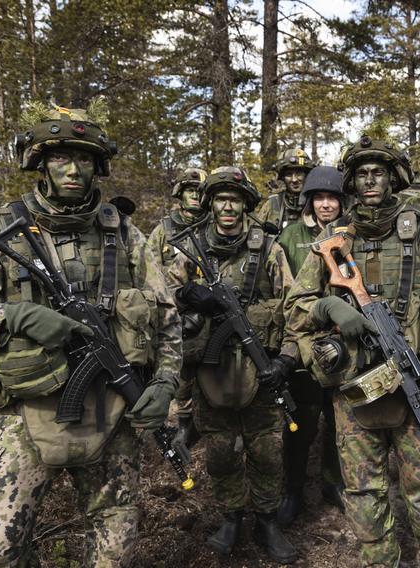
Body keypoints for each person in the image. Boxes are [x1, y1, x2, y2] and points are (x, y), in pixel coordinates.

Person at [0, 102, 182, 566]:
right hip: (30, 411)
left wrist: (166, 382)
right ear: (41, 164)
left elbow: (166, 320)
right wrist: (17, 319)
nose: (73, 169)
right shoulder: (2, 231)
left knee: (115, 548)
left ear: (97, 167)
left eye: (84, 160)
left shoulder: (126, 236)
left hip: (114, 409)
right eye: (60, 158)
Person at [285, 136, 420, 567]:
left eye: (379, 173)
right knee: (365, 497)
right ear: (353, 181)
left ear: (393, 179)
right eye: (363, 174)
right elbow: (294, 310)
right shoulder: (333, 242)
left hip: (415, 389)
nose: (371, 181)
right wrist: (328, 304)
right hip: (354, 391)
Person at [167, 166, 298, 565]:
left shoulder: (269, 250)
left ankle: (267, 519)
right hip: (212, 372)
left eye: (235, 199)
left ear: (245, 204)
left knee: (268, 451)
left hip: (261, 372)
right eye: (220, 199)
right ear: (210, 203)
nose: (227, 206)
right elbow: (162, 297)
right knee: (221, 452)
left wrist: (286, 358)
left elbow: (295, 307)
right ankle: (230, 516)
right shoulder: (190, 250)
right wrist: (187, 292)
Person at [275, 165, 347, 526]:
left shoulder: (349, 234)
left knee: (339, 420)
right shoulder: (290, 235)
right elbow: (283, 290)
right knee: (301, 421)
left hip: (342, 343)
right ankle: (293, 489)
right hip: (303, 341)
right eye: (319, 197)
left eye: (332, 197)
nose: (326, 204)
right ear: (309, 201)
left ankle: (334, 484)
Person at [146, 167, 208, 422]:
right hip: (176, 310)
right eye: (190, 190)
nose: (195, 196)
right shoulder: (164, 230)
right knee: (180, 374)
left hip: (206, 307)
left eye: (199, 192)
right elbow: (148, 272)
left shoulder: (212, 226)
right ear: (180, 194)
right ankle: (183, 420)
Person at [257, 148, 316, 230]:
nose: (294, 180)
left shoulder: (317, 203)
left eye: (299, 173)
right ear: (282, 178)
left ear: (307, 175)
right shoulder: (273, 204)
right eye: (288, 175)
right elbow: (256, 235)